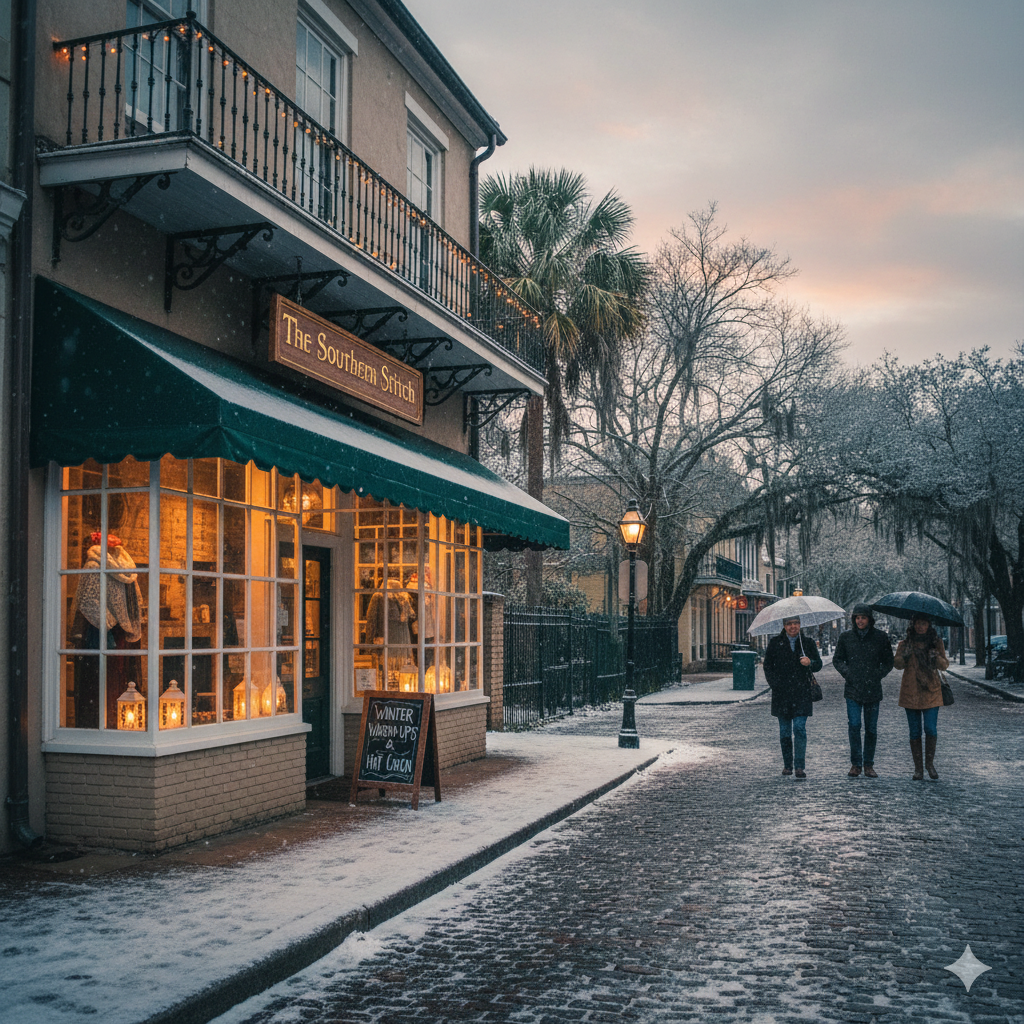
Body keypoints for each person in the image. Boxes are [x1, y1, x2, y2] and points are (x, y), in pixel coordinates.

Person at [832, 603, 894, 778]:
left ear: (869, 619)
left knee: (871, 728)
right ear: (854, 619)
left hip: (873, 689)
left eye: (863, 617)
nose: (860, 621)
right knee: (854, 725)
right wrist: (848, 673)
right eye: (857, 618)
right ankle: (856, 763)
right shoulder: (846, 638)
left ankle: (869, 764)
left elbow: (889, 661)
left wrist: (877, 674)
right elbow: (838, 660)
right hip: (852, 688)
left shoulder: (880, 637)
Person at [763, 617, 823, 779]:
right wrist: (775, 684)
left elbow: (818, 665)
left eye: (795, 623)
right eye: (789, 624)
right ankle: (787, 765)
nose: (792, 627)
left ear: (800, 625)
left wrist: (810, 662)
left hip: (802, 693)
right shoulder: (776, 643)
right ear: (784, 626)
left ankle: (799, 766)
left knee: (799, 729)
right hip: (782, 694)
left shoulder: (807, 643)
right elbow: (767, 666)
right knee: (784, 733)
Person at [895, 614, 949, 780]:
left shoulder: (936, 643)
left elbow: (945, 665)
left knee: (930, 729)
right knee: (915, 731)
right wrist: (905, 655)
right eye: (918, 623)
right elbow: (897, 664)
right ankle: (918, 769)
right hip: (910, 692)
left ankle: (929, 765)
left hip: (931, 691)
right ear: (913, 624)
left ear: (928, 625)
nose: (920, 627)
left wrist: (936, 656)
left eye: (923, 623)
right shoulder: (905, 644)